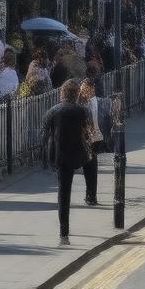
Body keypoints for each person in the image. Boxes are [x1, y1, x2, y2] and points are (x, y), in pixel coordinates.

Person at [41, 80, 91, 245]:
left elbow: (45, 134)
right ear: (76, 94)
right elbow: (86, 132)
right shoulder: (81, 111)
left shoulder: (52, 111)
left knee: (63, 193)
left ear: (61, 93)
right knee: (69, 188)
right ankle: (91, 194)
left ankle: (64, 232)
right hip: (76, 154)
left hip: (59, 156)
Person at [77, 78, 104, 205]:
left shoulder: (90, 104)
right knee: (89, 168)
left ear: (91, 89)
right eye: (81, 90)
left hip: (92, 139)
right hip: (93, 138)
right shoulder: (90, 102)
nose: (82, 92)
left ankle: (91, 196)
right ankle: (91, 195)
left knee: (90, 168)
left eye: (84, 90)